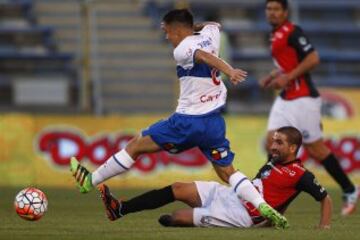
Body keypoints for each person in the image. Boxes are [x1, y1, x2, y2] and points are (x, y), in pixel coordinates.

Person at [70, 9, 288, 228]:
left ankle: (90, 181)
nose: (167, 37)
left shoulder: (182, 48)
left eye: (167, 31)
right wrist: (193, 28)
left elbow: (204, 57)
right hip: (213, 122)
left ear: (176, 30)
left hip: (187, 122)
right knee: (228, 171)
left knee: (136, 146)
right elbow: (214, 25)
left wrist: (229, 71)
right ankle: (261, 204)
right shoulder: (211, 35)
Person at [98, 127, 332, 229]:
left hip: (241, 215)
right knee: (178, 187)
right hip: (232, 195)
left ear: (293, 148)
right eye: (273, 141)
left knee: (177, 218)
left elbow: (325, 198)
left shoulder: (302, 174)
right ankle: (120, 209)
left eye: (279, 143)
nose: (273, 146)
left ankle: (187, 221)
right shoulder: (272, 163)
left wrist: (324, 226)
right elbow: (271, 192)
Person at [259, 0, 358, 216]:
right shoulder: (275, 34)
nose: (272, 13)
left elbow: (313, 58)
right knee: (272, 141)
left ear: (285, 12)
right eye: (269, 9)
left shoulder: (293, 31)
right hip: (286, 98)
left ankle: (350, 189)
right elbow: (287, 63)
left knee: (316, 149)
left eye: (276, 9)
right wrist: (273, 75)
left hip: (303, 98)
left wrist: (287, 77)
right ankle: (266, 198)